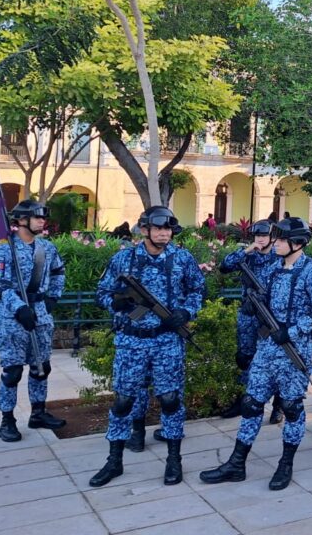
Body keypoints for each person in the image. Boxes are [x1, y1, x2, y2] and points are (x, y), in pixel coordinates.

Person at [200, 217, 312, 490]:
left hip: (294, 351)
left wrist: (293, 331)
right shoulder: (273, 269)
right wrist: (254, 309)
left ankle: (286, 464)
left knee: (292, 408)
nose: (276, 243)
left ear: (297, 243)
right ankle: (237, 463)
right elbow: (249, 286)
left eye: (281, 239)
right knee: (251, 403)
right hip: (267, 349)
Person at [90, 206, 205, 487]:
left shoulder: (182, 258)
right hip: (132, 341)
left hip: (167, 340)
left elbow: (198, 290)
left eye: (168, 229)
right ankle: (114, 461)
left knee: (170, 400)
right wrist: (115, 303)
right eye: (159, 229)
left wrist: (186, 312)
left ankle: (174, 460)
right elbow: (103, 292)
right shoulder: (124, 259)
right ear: (145, 230)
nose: (165, 234)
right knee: (123, 401)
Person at [0, 199, 67, 443]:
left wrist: (53, 298)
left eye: (43, 217)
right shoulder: (4, 249)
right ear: (21, 220)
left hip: (41, 316)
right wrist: (20, 308)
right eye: (37, 217)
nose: (42, 221)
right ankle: (7, 420)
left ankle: (38, 413)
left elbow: (58, 272)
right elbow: (0, 285)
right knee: (12, 372)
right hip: (12, 319)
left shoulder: (47, 248)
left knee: (41, 368)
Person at [216, 221, 281, 422]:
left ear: (272, 237)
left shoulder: (279, 256)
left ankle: (279, 404)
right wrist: (246, 252)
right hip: (248, 314)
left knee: (274, 359)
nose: (260, 239)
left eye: (264, 235)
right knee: (245, 358)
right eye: (256, 236)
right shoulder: (248, 256)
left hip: (269, 315)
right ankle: (243, 399)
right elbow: (225, 266)